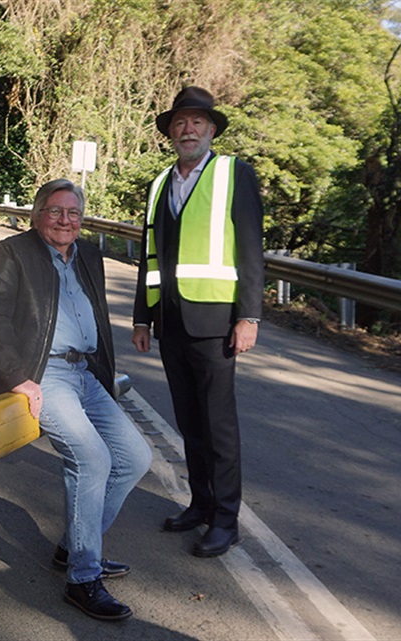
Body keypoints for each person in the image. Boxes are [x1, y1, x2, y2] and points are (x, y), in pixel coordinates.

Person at [0, 179, 152, 622]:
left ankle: (77, 545)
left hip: (85, 373)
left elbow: (100, 319)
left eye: (73, 213)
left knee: (135, 457)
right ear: (37, 216)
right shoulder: (14, 252)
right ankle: (82, 578)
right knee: (92, 459)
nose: (65, 221)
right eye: (55, 211)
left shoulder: (89, 254)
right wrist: (17, 376)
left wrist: (105, 376)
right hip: (44, 372)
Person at [131, 86, 264, 558]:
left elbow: (250, 250)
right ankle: (201, 503)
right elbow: (151, 257)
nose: (188, 129)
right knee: (190, 422)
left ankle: (226, 520)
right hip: (170, 321)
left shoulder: (233, 174)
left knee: (219, 425)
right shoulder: (160, 183)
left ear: (211, 130)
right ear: (170, 132)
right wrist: (142, 317)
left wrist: (248, 316)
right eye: (180, 122)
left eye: (197, 122)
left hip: (215, 322)